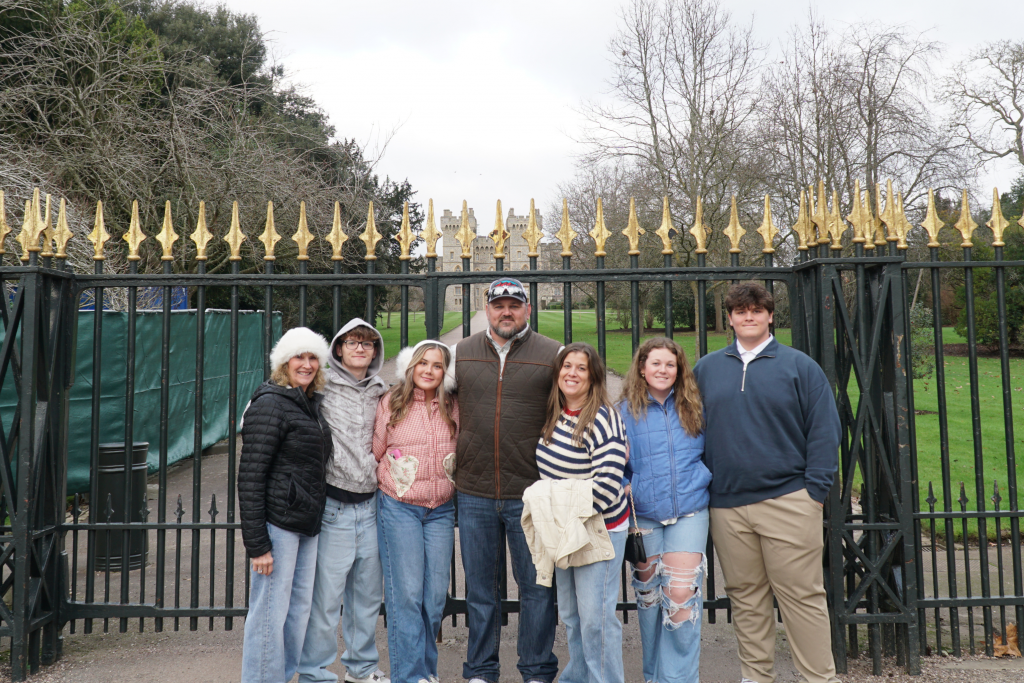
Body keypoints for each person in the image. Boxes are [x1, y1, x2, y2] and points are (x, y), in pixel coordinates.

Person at [693, 282, 841, 683]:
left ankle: (819, 679)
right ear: (729, 318)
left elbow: (825, 432)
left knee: (802, 598)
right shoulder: (706, 368)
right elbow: (689, 428)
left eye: (756, 310)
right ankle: (755, 677)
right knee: (745, 598)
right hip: (726, 505)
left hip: (788, 499)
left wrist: (814, 494)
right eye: (740, 311)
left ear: (770, 315)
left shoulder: (799, 366)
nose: (748, 317)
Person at [452, 277, 562, 683]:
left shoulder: (552, 354)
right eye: (499, 305)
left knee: (536, 589)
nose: (506, 312)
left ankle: (535, 670)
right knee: (481, 592)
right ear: (487, 308)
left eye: (514, 305)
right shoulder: (460, 353)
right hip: (475, 490)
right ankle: (481, 670)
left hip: (530, 492)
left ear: (527, 309)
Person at [239, 327, 333, 683]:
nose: (307, 364)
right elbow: (250, 476)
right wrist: (258, 544)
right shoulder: (271, 403)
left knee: (297, 611)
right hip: (278, 523)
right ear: (284, 362)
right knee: (269, 613)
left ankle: (282, 675)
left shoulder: (307, 402)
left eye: (312, 358)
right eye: (299, 357)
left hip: (305, 522)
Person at [299, 319, 390, 683]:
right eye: (352, 342)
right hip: (333, 506)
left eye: (367, 344)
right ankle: (314, 671)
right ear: (338, 348)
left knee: (366, 599)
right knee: (325, 601)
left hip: (371, 506)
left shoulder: (382, 391)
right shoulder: (319, 385)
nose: (360, 349)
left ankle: (362, 668)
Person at [534, 343, 628, 683]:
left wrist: (556, 507)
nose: (571, 373)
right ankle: (578, 677)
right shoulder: (557, 413)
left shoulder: (603, 419)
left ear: (594, 377)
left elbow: (605, 487)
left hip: (596, 529)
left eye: (581, 368)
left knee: (596, 620)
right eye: (567, 366)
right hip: (565, 530)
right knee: (573, 617)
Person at [618, 337, 710, 683]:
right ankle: (653, 675)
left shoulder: (694, 406)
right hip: (643, 514)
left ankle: (680, 679)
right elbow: (614, 460)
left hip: (688, 508)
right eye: (655, 363)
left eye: (670, 364)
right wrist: (628, 481)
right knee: (650, 597)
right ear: (642, 368)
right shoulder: (624, 410)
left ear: (679, 369)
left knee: (681, 594)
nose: (663, 370)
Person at [372, 340, 459, 683]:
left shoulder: (453, 406)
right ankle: (409, 676)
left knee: (435, 596)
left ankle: (426, 670)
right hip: (399, 506)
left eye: (437, 365)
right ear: (410, 368)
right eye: (422, 364)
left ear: (444, 372)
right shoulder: (392, 401)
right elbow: (376, 449)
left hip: (439, 508)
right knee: (406, 594)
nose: (428, 371)